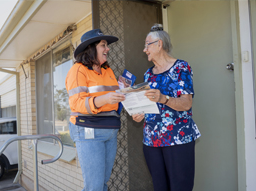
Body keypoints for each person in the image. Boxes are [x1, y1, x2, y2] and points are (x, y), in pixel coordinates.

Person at [132, 24, 201, 191]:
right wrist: (139, 113)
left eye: (147, 44)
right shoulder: (148, 74)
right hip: (152, 141)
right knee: (159, 187)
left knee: (180, 186)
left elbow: (186, 103)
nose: (144, 49)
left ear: (159, 44)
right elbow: (150, 104)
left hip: (177, 138)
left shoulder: (181, 68)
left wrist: (164, 98)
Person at [65, 29, 125, 191]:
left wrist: (123, 90)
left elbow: (114, 100)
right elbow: (77, 103)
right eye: (103, 45)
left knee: (102, 184)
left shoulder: (108, 70)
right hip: (88, 130)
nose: (108, 49)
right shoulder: (78, 70)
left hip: (109, 130)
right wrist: (104, 99)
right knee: (95, 187)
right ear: (91, 48)